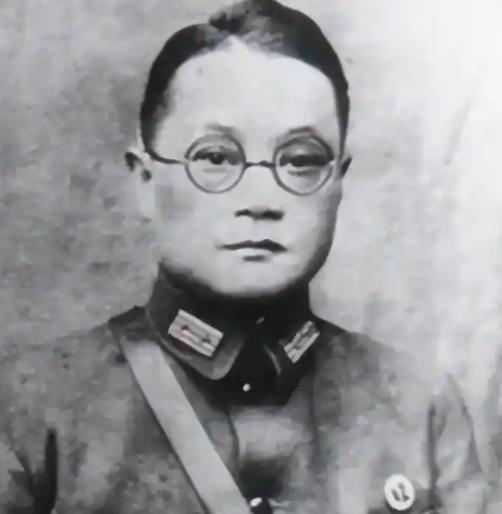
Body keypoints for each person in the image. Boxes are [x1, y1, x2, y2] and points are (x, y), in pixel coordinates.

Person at [0, 1, 487, 513]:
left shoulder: (419, 409)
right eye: (215, 157)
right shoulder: (30, 407)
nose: (260, 199)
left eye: (300, 161)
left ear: (338, 184)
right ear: (145, 180)